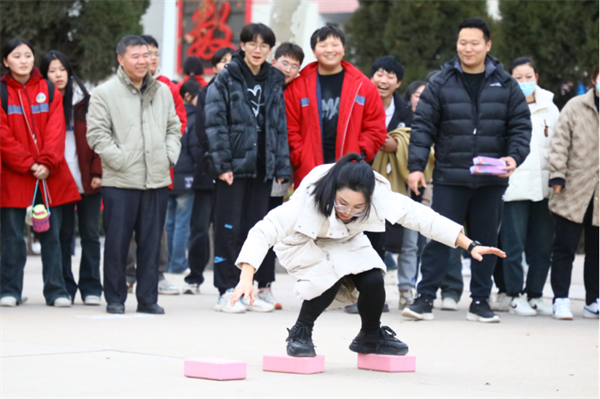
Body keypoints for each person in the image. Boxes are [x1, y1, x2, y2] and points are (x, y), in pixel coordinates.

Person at [230, 153, 505, 357]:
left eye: (357, 207)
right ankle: (300, 333)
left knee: (373, 278)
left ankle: (370, 335)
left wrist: (468, 244)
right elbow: (264, 230)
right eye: (342, 203)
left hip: (346, 239)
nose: (348, 211)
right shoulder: (310, 198)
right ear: (332, 192)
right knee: (329, 277)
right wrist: (246, 275)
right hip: (303, 241)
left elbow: (422, 217)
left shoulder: (380, 196)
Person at [403, 17, 531, 323]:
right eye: (463, 43)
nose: (468, 48)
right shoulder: (441, 82)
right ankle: (424, 299)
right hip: (450, 176)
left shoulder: (506, 84)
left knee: (486, 240)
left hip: (491, 179)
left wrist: (514, 157)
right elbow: (422, 128)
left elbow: (520, 127)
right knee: (439, 237)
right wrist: (416, 167)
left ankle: (479, 301)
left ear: (487, 45)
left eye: (475, 43)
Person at [86, 35, 181, 315]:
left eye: (147, 55)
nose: (143, 61)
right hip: (120, 181)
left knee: (151, 243)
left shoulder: (162, 92)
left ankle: (148, 299)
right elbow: (97, 135)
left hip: (156, 180)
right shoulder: (105, 93)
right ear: (121, 59)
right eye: (136, 56)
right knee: (117, 242)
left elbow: (173, 128)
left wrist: (168, 157)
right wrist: (121, 160)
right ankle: (115, 298)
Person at [205, 23, 291, 312]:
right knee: (229, 229)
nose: (257, 49)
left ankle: (248, 289)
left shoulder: (274, 79)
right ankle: (226, 290)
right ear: (242, 45)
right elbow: (215, 123)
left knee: (257, 230)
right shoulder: (226, 77)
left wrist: (282, 165)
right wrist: (222, 164)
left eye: (264, 45)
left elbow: (279, 125)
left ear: (270, 50)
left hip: (263, 167)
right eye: (252, 43)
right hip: (233, 168)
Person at [0, 38, 80, 307]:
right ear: (5, 62)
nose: (23, 60)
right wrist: (28, 163)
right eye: (16, 56)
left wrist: (46, 162)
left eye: (28, 55)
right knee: (11, 237)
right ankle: (9, 289)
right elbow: (3, 137)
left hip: (49, 174)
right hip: (14, 175)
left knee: (53, 235)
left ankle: (56, 291)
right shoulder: (2, 92)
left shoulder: (48, 88)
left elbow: (56, 130)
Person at [489, 57, 559, 316]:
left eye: (528, 76)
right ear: (510, 79)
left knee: (542, 245)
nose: (524, 82)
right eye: (518, 77)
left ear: (536, 77)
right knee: (513, 246)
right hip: (514, 187)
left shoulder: (550, 108)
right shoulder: (503, 105)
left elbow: (559, 146)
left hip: (544, 188)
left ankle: (536, 294)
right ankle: (514, 294)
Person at [346, 55, 414, 314]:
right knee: (359, 238)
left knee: (389, 242)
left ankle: (378, 294)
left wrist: (397, 146)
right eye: (379, 74)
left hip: (391, 186)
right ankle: (355, 295)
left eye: (390, 76)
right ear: (370, 76)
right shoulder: (357, 102)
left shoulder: (406, 111)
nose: (383, 80)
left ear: (398, 82)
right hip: (358, 182)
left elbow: (416, 143)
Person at [285, 26, 387, 187]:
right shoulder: (298, 86)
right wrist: (300, 155)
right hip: (310, 171)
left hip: (351, 170)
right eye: (323, 45)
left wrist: (360, 152)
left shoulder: (363, 85)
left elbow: (376, 126)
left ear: (343, 49)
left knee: (347, 211)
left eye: (335, 44)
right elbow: (289, 127)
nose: (329, 50)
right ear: (314, 51)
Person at [40, 50, 104, 306]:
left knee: (90, 234)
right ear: (44, 75)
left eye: (62, 70)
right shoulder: (41, 103)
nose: (58, 75)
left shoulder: (86, 101)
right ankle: (63, 287)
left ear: (69, 72)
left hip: (88, 179)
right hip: (57, 179)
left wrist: (99, 171)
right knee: (62, 235)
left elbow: (102, 135)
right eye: (51, 71)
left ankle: (91, 287)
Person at [125, 34, 186, 295]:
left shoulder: (168, 89)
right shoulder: (121, 88)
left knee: (156, 226)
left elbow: (179, 124)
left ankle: (158, 274)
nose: (148, 59)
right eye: (142, 53)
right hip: (127, 170)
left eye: (153, 54)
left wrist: (165, 154)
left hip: (159, 170)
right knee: (126, 226)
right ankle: (127, 275)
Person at [250, 42, 306, 309]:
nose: (289, 70)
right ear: (274, 61)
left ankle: (265, 286)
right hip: (257, 169)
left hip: (280, 173)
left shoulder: (294, 92)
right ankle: (245, 284)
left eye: (295, 66)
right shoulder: (262, 88)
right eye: (285, 63)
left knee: (272, 229)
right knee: (254, 226)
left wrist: (286, 169)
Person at [548, 66, 599, 320]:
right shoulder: (575, 106)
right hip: (573, 188)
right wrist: (557, 174)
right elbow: (559, 142)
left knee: (596, 250)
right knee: (564, 247)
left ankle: (593, 300)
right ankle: (561, 299)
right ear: (593, 79)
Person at [183, 47, 235, 295]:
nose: (227, 65)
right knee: (200, 229)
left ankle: (230, 280)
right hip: (208, 171)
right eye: (221, 62)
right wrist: (217, 159)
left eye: (231, 61)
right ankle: (194, 276)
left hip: (236, 173)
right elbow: (201, 132)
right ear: (213, 67)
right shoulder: (205, 92)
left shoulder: (242, 91)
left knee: (230, 229)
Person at [164, 79, 201, 274]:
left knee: (169, 222)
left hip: (169, 174)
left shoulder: (172, 116)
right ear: (188, 96)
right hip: (186, 177)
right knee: (182, 224)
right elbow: (195, 149)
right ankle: (178, 263)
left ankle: (170, 262)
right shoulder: (193, 118)